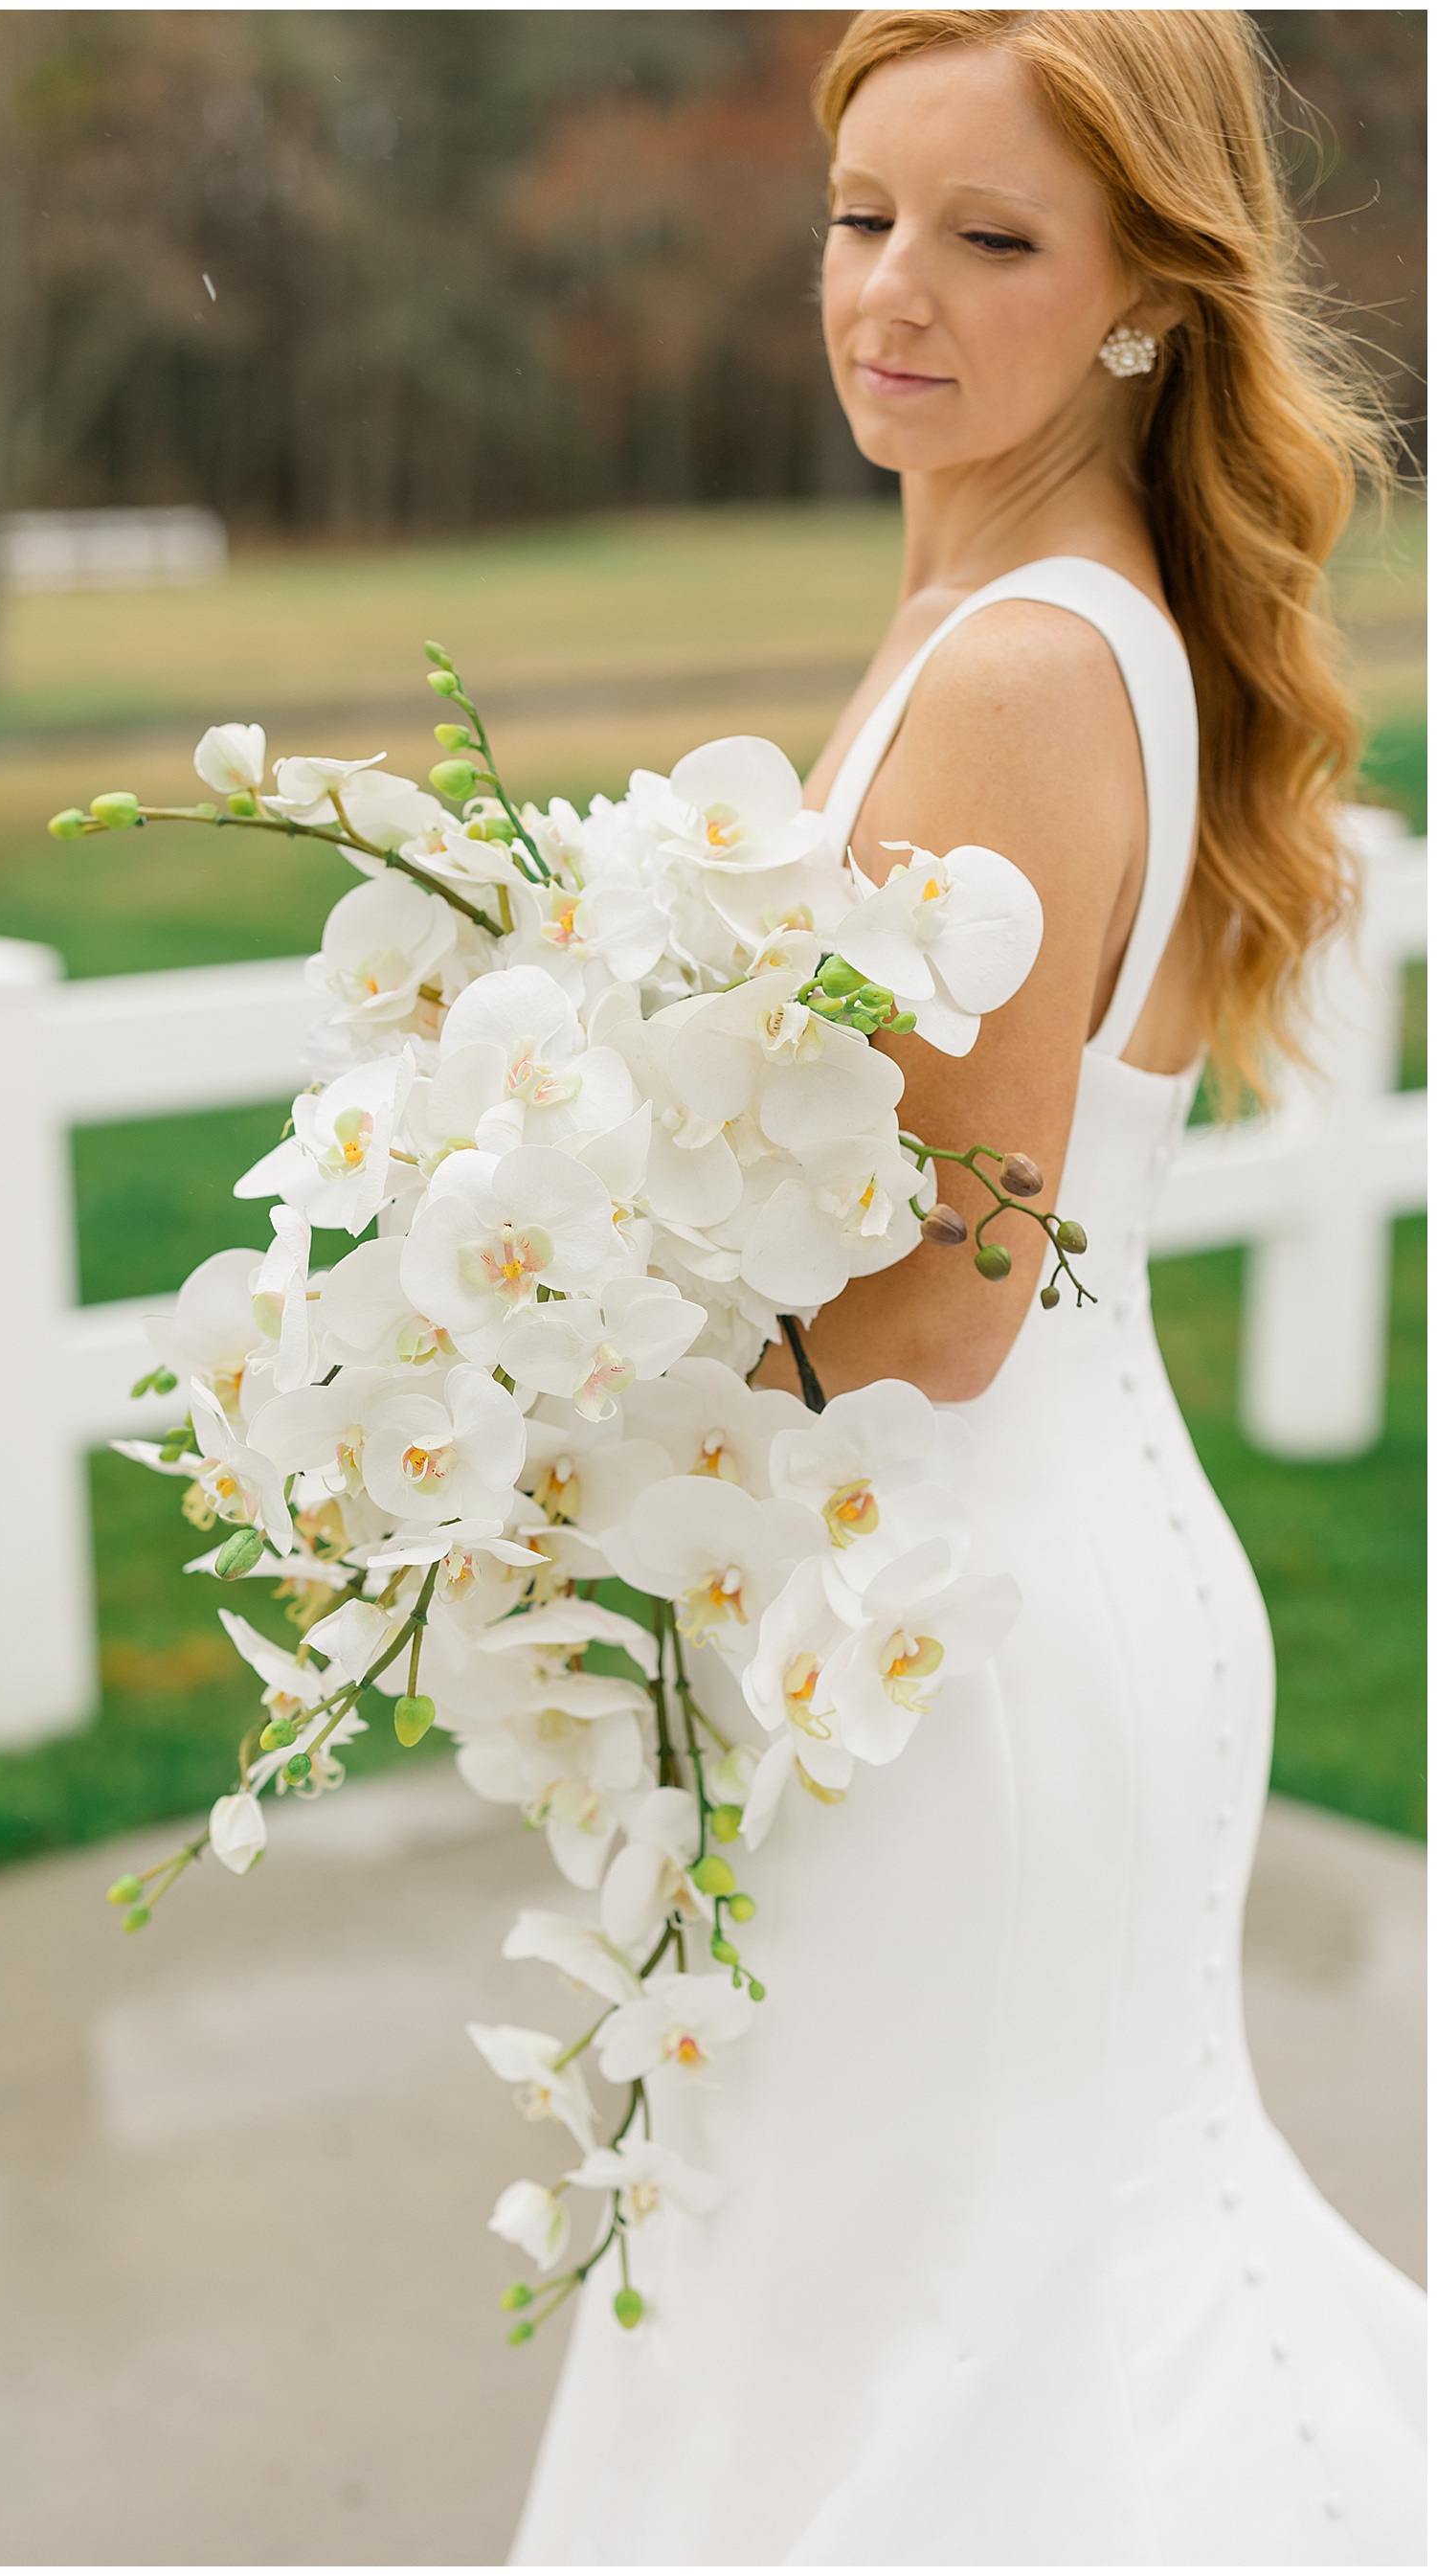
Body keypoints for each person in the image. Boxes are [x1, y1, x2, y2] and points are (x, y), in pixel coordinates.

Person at [508, 11, 1424, 2564]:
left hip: (963, 1635)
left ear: (1146, 297)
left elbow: (948, 1292)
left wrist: (546, 1410)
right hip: (982, 1581)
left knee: (951, 2350)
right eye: (860, 214)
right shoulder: (1018, 612)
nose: (888, 288)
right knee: (919, 2308)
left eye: (989, 237)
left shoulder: (1025, 666)